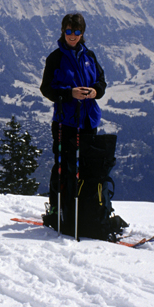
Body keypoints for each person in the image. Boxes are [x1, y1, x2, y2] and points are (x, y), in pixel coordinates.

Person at [39, 13, 107, 232]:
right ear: (62, 31)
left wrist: (95, 91)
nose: (73, 36)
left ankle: (85, 210)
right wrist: (70, 93)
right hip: (65, 122)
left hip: (88, 120)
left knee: (88, 168)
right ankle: (57, 209)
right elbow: (47, 89)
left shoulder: (90, 56)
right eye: (69, 31)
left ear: (82, 33)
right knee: (63, 167)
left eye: (77, 32)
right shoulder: (56, 58)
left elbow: (101, 83)